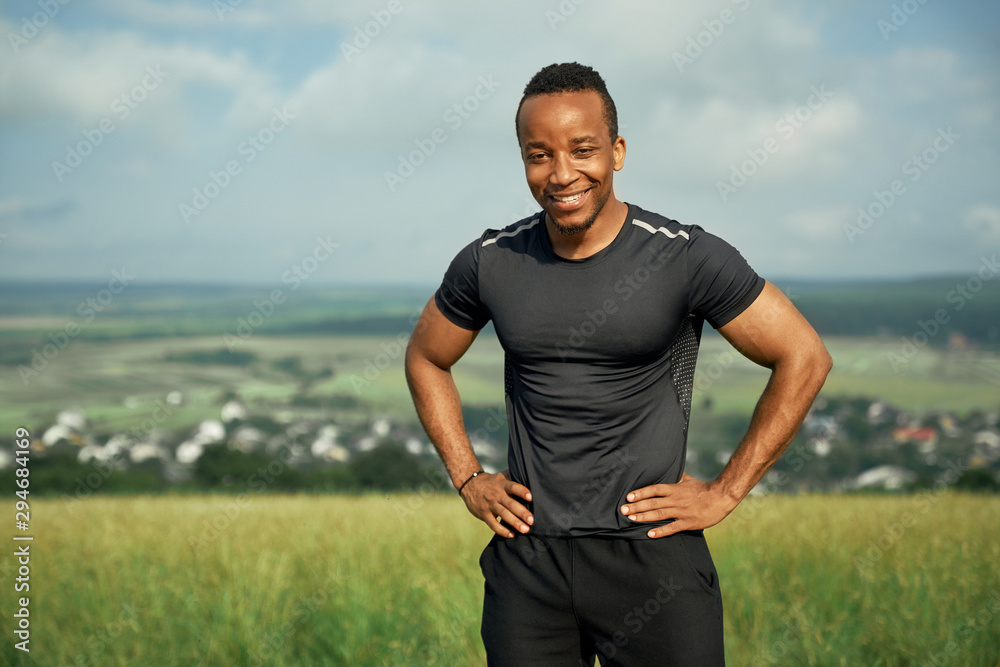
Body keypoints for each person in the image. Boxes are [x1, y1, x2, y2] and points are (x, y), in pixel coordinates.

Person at [405, 62, 832, 666]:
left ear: (618, 150)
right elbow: (426, 357)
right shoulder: (489, 260)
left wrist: (726, 491)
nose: (561, 174)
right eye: (539, 154)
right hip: (530, 563)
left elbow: (804, 356)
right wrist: (469, 477)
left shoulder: (686, 256)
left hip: (654, 560)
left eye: (583, 150)